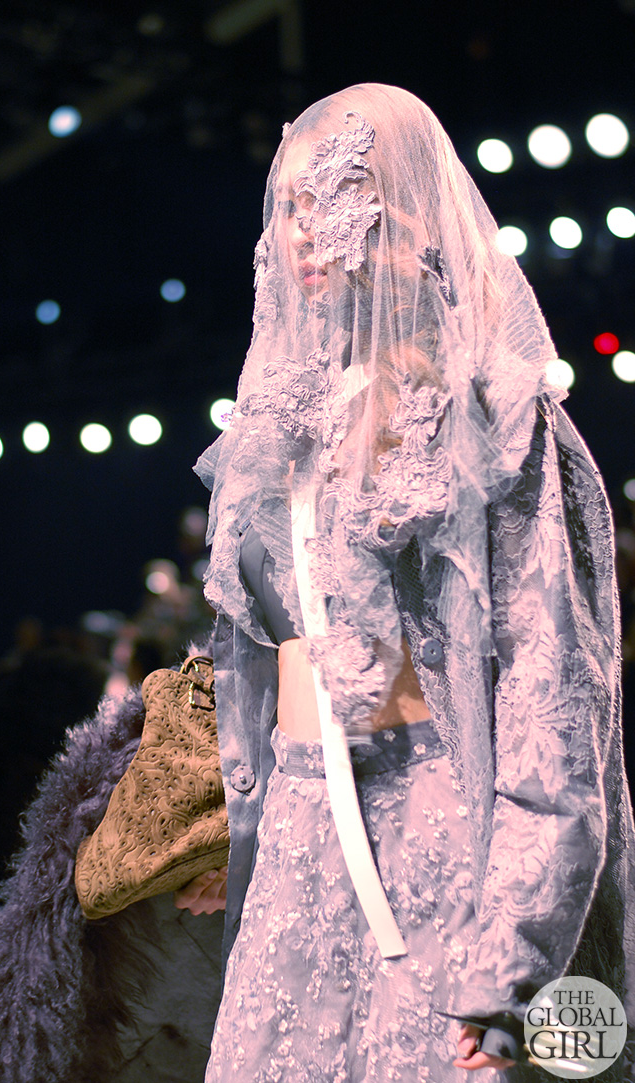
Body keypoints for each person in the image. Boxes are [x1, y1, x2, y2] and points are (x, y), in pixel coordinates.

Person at [179, 84, 635, 1080]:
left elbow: (552, 690)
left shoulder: (500, 418)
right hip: (302, 846)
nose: (303, 231)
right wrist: (229, 819)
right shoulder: (274, 436)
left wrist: (512, 958)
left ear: (404, 210)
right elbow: (268, 653)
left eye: (336, 196)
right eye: (289, 203)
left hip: (443, 851)